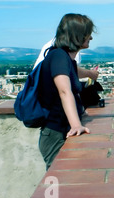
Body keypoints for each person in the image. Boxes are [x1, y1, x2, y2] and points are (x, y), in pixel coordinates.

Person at [38, 13, 96, 170]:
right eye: (88, 33)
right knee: (59, 178)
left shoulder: (64, 58)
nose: (91, 37)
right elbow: (64, 91)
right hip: (55, 131)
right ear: (78, 35)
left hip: (57, 130)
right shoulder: (58, 57)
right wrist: (76, 125)